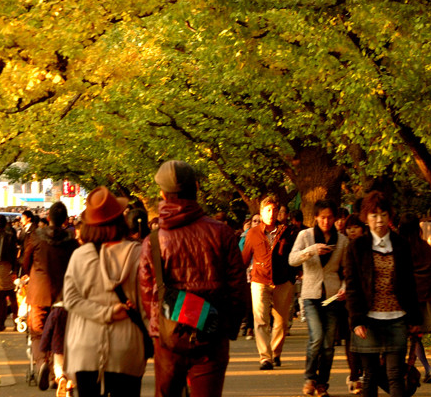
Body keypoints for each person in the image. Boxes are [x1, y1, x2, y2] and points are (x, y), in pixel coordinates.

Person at [138, 160, 247, 397]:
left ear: (162, 194)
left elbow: (147, 294)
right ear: (196, 188)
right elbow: (238, 289)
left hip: (169, 339)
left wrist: (159, 328)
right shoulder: (222, 233)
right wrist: (225, 327)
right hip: (212, 336)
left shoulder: (154, 241)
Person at [63, 186, 147, 397]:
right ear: (121, 220)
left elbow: (70, 299)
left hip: (84, 346)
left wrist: (104, 313)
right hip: (127, 346)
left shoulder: (80, 256)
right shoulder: (138, 254)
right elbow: (148, 303)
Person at [345, 191, 422, 397]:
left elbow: (409, 283)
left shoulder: (401, 245)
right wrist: (356, 320)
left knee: (395, 374)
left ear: (390, 216)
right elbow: (352, 287)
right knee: (369, 374)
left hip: (397, 317)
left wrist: (415, 318)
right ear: (366, 218)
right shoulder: (356, 247)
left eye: (383, 215)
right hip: (368, 320)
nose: (379, 221)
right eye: (374, 215)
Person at [289, 199, 349, 397]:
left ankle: (323, 383)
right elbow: (292, 259)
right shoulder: (305, 236)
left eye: (330, 217)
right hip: (311, 294)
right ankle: (309, 378)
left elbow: (347, 271)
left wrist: (344, 288)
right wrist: (311, 250)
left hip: (332, 295)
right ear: (315, 217)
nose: (326, 221)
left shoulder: (342, 241)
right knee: (317, 338)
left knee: (329, 344)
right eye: (322, 217)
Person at [22, 201, 78, 391]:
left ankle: (41, 364)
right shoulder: (71, 240)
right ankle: (57, 374)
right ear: (65, 220)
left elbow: (25, 261)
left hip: (39, 291)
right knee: (59, 333)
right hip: (63, 293)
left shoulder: (36, 237)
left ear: (48, 218)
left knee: (37, 331)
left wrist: (28, 273)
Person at [242, 195, 299, 370]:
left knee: (280, 321)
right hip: (259, 280)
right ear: (261, 212)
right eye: (268, 210)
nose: (272, 213)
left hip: (283, 281)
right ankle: (265, 357)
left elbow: (295, 256)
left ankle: (276, 353)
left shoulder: (289, 232)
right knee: (261, 320)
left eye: (275, 210)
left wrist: (292, 277)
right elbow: (244, 258)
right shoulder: (253, 233)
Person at [398, 213, 431, 384]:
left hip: (405, 300)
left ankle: (412, 370)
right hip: (425, 300)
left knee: (404, 337)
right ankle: (426, 368)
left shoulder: (399, 248)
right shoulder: (427, 249)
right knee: (415, 338)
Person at [343, 216, 366, 395]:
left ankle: (363, 373)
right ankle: (354, 375)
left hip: (366, 300)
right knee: (350, 340)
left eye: (355, 227)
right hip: (345, 300)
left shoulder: (368, 246)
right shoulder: (343, 246)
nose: (352, 231)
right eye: (349, 228)